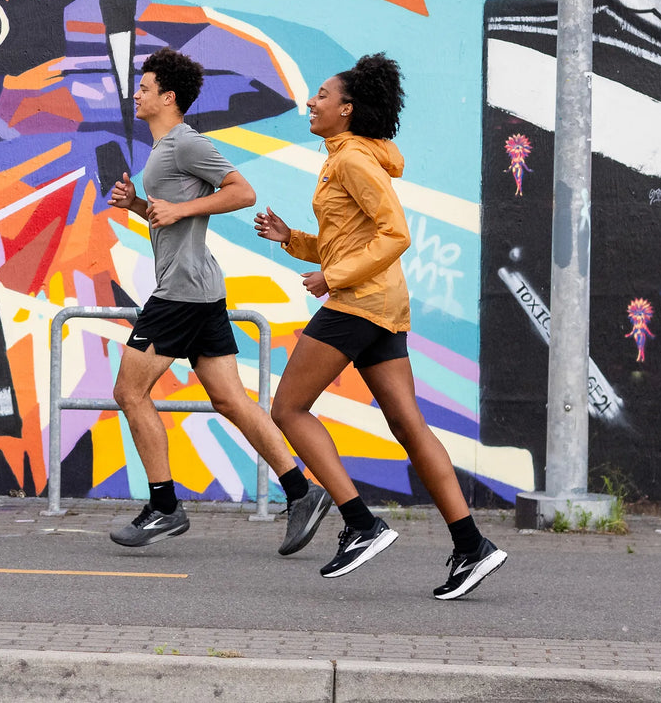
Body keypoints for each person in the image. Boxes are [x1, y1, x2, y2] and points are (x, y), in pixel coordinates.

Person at [253, 54, 508, 599]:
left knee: (287, 408)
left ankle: (360, 524)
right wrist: (292, 239)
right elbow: (351, 238)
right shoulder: (352, 156)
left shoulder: (352, 162)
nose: (311, 101)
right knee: (409, 425)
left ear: (346, 109)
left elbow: (395, 235)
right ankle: (471, 547)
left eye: (322, 94)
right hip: (381, 305)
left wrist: (332, 277)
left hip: (358, 302)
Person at [106, 47, 332, 555]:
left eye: (144, 88)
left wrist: (177, 206)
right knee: (229, 399)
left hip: (181, 293)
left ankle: (164, 506)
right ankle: (302, 492)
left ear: (168, 97)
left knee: (129, 392)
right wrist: (141, 206)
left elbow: (242, 191)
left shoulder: (186, 144)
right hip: (201, 290)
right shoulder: (164, 149)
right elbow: (174, 218)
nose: (136, 94)